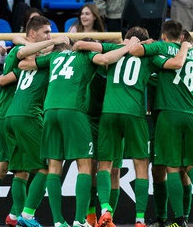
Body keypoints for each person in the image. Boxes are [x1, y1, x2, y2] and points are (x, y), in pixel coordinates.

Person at [40, 34, 138, 227]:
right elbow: (105, 58)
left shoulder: (55, 57)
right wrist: (129, 47)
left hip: (49, 110)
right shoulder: (87, 57)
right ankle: (80, 220)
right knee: (87, 166)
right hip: (77, 112)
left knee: (54, 166)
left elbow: (26, 63)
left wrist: (47, 45)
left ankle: (59, 221)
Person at [130, 22, 193, 227]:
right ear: (182, 37)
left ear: (164, 35)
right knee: (191, 165)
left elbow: (139, 54)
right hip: (191, 113)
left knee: (171, 168)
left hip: (168, 114)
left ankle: (179, 220)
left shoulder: (162, 50)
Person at [6, 19, 71, 227]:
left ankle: (16, 217)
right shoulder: (52, 60)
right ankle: (27, 215)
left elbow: (20, 58)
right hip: (29, 115)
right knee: (46, 167)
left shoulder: (28, 56)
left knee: (20, 170)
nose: (50, 36)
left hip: (11, 115)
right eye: (47, 32)